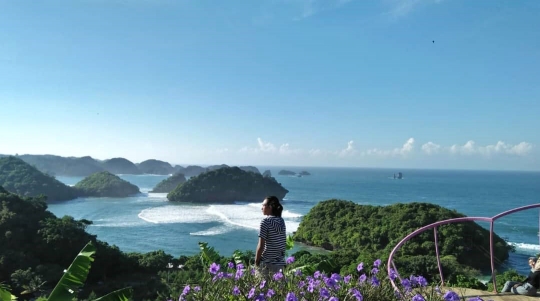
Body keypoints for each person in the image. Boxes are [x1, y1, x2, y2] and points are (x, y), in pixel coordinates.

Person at [255, 196, 286, 280]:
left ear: (270, 207)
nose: (261, 208)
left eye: (263, 205)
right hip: (279, 264)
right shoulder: (281, 221)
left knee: (262, 291)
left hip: (266, 264)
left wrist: (256, 262)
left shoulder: (265, 221)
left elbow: (261, 246)